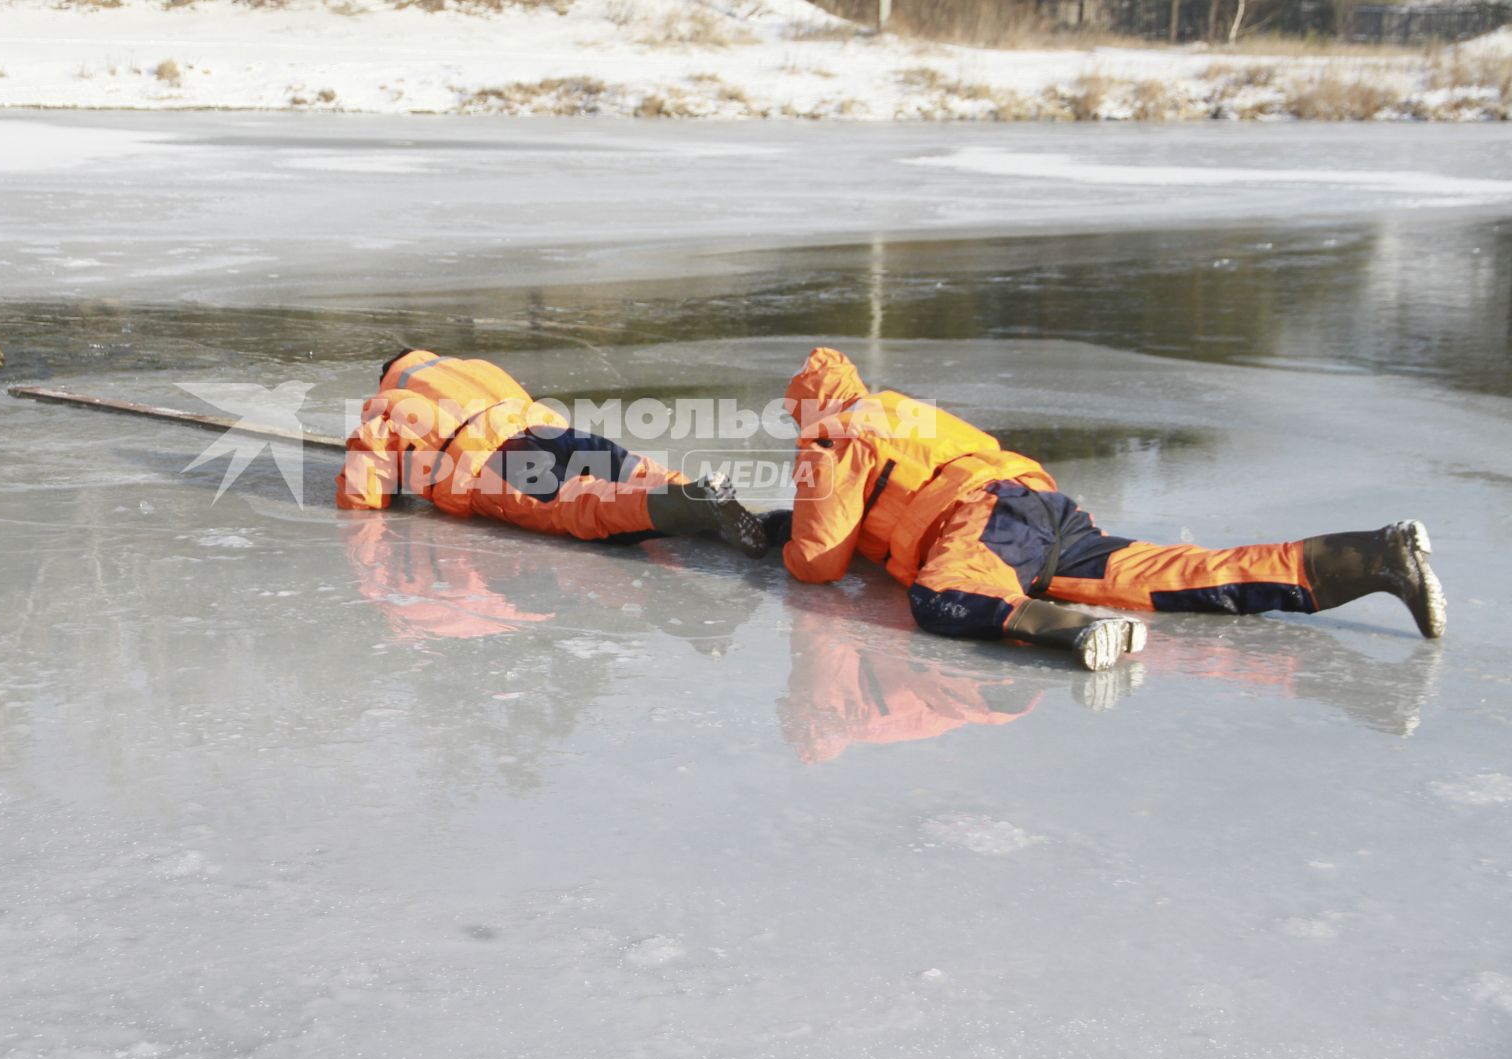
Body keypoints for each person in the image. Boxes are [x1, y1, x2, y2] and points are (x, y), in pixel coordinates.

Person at [764, 347, 1445, 671]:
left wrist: (789, 543)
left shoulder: (831, 435)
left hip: (985, 520)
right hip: (1041, 511)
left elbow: (821, 561)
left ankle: (1076, 633)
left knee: (947, 596)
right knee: (1173, 574)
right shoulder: (894, 407)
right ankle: (1371, 555)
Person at [337, 348, 765, 556]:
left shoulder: (391, 400)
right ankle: (695, 492)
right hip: (545, 428)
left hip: (490, 460)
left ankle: (681, 506)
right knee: (629, 468)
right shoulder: (471, 368)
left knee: (577, 503)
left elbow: (364, 494)